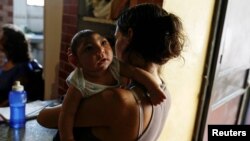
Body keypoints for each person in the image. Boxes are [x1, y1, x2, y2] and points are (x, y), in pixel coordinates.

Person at [37, 3, 185, 141]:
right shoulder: (164, 92)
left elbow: (44, 118)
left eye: (116, 37)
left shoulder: (118, 101)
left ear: (129, 36)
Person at [59, 29, 166, 140]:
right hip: (80, 127)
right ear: (76, 62)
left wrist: (153, 88)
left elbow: (135, 72)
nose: (101, 50)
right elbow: (67, 114)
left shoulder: (114, 66)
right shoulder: (79, 83)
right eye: (89, 48)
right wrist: (68, 138)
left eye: (103, 43)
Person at [0, 24, 44, 107]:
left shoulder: (21, 68)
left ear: (10, 44)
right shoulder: (6, 63)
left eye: (2, 38)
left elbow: (16, 97)